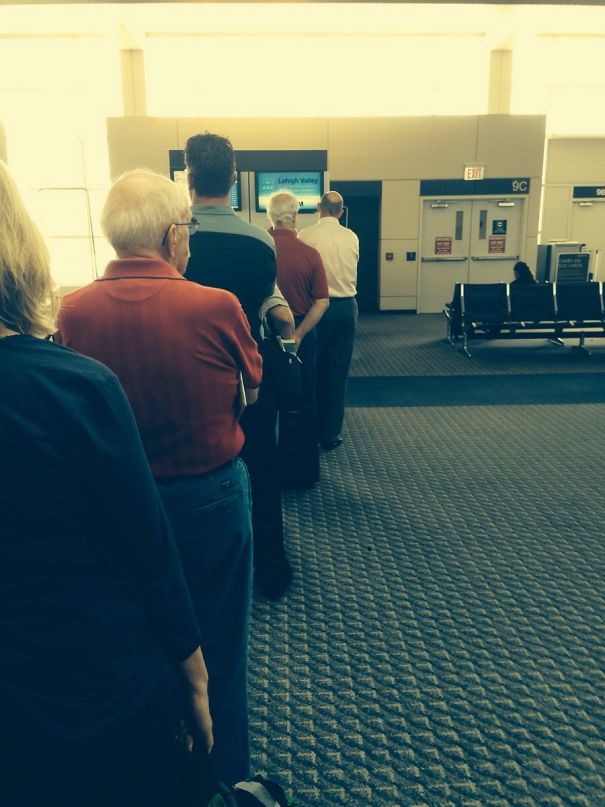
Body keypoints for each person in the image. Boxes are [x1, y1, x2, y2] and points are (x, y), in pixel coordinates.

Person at [0, 159, 212, 807]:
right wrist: (195, 676)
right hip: (84, 692)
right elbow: (147, 555)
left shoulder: (79, 317)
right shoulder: (72, 388)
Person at [56, 169, 261, 786]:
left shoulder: (74, 310)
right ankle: (222, 780)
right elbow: (251, 388)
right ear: (173, 235)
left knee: (140, 637)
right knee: (219, 644)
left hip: (114, 506)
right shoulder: (214, 305)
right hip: (207, 498)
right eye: (188, 229)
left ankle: (151, 770)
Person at [185, 131, 295, 600]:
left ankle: (201, 571)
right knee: (262, 467)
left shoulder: (172, 241)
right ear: (233, 178)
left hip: (187, 377)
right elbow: (262, 305)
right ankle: (271, 566)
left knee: (192, 472)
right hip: (247, 372)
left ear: (188, 178)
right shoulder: (259, 243)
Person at [267, 190, 329, 488]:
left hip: (265, 334)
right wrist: (299, 335)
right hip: (302, 330)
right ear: (294, 216)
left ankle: (270, 462)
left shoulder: (260, 249)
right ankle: (302, 468)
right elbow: (322, 301)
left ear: (270, 216)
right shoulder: (310, 254)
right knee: (304, 397)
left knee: (267, 397)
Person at [299, 191, 359, 451]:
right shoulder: (352, 236)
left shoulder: (306, 236)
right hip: (347, 307)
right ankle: (330, 433)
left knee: (312, 368)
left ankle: (310, 429)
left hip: (318, 307)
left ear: (318, 208)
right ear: (341, 212)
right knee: (337, 372)